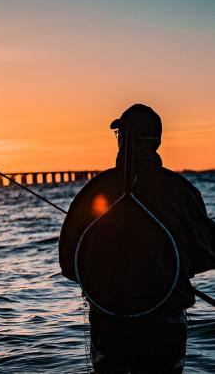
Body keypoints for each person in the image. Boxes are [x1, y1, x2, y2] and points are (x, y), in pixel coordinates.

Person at [59, 104, 215, 374]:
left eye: (120, 134)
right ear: (156, 141)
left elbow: (69, 263)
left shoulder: (92, 191)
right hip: (164, 325)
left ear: (124, 139)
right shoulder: (181, 192)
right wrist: (167, 272)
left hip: (108, 326)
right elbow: (207, 252)